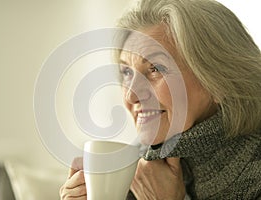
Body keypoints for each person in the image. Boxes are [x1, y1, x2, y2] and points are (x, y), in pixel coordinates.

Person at [60, 0, 261, 199]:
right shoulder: (137, 174)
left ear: (219, 81)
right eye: (127, 72)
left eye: (156, 69)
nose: (131, 95)